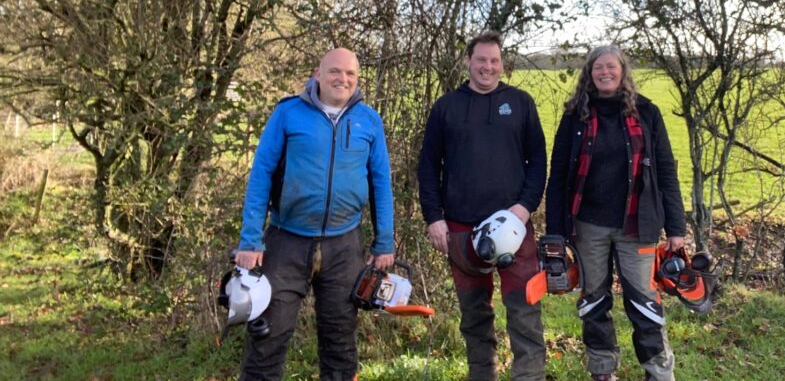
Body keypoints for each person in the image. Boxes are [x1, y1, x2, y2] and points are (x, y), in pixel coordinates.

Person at [234, 47, 395, 381]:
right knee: (267, 334)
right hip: (286, 241)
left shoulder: (368, 120)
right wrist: (250, 240)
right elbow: (261, 173)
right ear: (318, 74)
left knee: (340, 341)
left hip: (344, 245)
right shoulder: (289, 114)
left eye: (351, 74)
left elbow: (381, 182)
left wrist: (384, 243)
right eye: (335, 71)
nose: (343, 79)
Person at [546, 45, 687, 381]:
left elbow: (666, 170)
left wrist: (676, 227)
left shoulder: (647, 113)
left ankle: (658, 373)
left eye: (611, 66)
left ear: (623, 71)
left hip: (637, 225)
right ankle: (603, 371)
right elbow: (559, 176)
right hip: (588, 226)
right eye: (598, 67)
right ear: (589, 73)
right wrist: (554, 232)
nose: (604, 72)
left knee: (643, 303)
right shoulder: (574, 116)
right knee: (594, 302)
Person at [417, 31, 547, 381]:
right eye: (481, 60)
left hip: (515, 224)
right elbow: (428, 166)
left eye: (494, 61)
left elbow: (538, 161)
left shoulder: (521, 103)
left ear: (502, 63)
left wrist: (524, 208)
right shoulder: (446, 107)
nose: (488, 67)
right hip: (461, 228)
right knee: (474, 312)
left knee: (524, 307)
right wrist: (434, 218)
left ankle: (529, 375)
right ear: (468, 62)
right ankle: (482, 374)